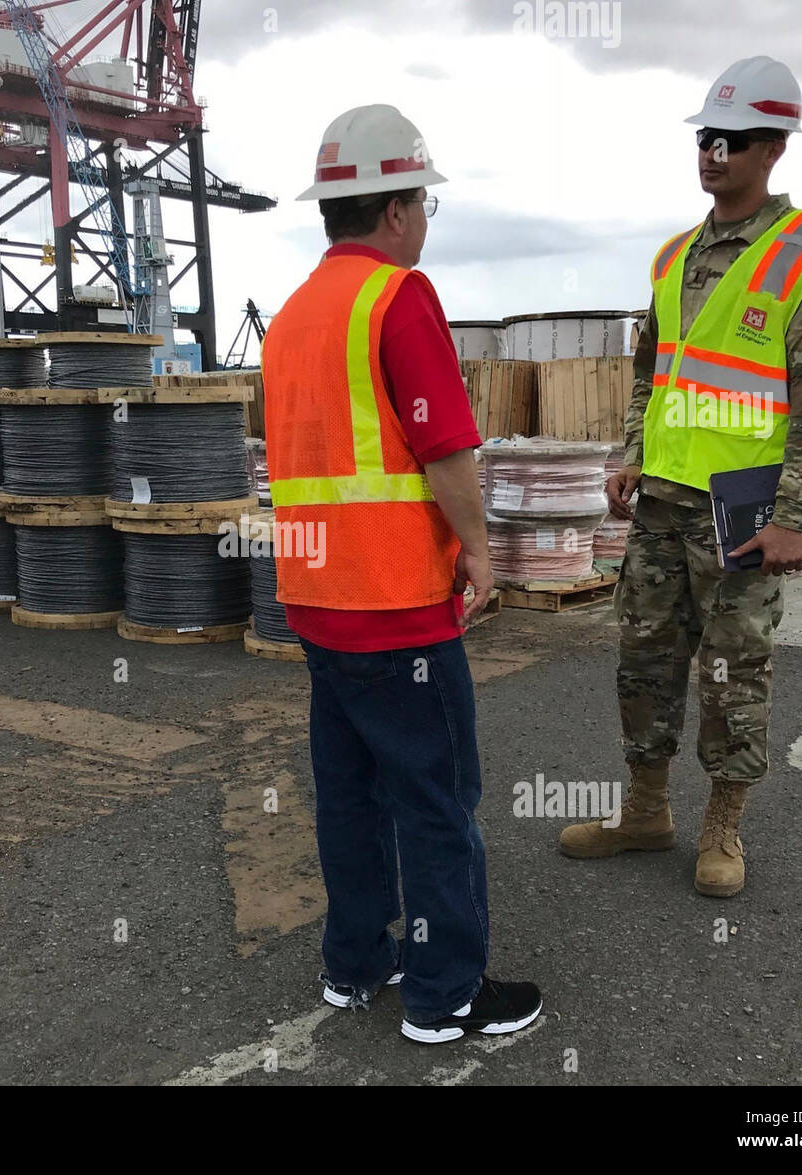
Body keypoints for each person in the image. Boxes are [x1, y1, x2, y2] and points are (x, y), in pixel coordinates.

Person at [262, 104, 542, 1043]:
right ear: (394, 211)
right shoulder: (399, 297)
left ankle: (356, 962)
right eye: (423, 201)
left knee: (348, 794)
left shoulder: (295, 313)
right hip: (395, 603)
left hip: (316, 599)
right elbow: (447, 451)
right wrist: (480, 550)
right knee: (434, 801)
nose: (424, 221)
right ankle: (446, 993)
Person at [559, 57, 802, 897]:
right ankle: (646, 810)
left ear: (772, 148)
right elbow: (651, 372)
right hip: (661, 503)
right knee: (644, 662)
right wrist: (632, 451)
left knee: (733, 672)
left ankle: (722, 825)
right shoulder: (673, 256)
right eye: (705, 137)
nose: (712, 153)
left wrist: (798, 513)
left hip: (743, 515)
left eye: (729, 139)